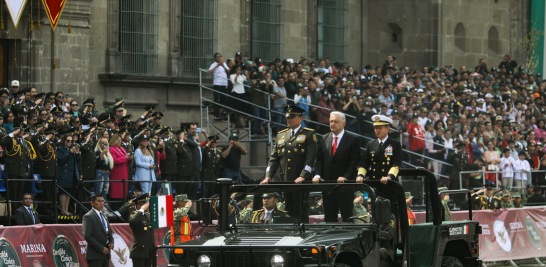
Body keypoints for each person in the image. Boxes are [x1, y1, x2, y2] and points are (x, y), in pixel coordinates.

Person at [262, 105, 317, 221]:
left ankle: (303, 233)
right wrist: (268, 176)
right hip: (286, 180)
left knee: (301, 210)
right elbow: (274, 158)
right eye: (288, 118)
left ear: (301, 118)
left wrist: (303, 175)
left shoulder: (308, 134)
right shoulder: (281, 135)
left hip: (301, 181)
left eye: (293, 117)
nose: (289, 120)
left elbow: (310, 158)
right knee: (289, 210)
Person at [313, 111, 361, 222]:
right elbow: (319, 160)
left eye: (335, 121)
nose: (332, 124)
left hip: (344, 186)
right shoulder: (324, 138)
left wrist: (346, 176)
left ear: (344, 123)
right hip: (327, 185)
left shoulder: (353, 139)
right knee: (329, 218)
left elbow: (354, 163)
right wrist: (317, 174)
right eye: (331, 121)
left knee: (347, 216)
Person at [357, 115, 402, 183]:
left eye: (380, 128)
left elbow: (396, 163)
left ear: (387, 129)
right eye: (375, 128)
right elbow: (365, 163)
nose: (377, 130)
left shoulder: (395, 144)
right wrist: (360, 175)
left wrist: (390, 176)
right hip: (374, 181)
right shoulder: (370, 144)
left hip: (389, 182)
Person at [1, 119, 28, 208]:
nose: (21, 131)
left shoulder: (23, 141)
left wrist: (26, 170)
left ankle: (19, 209)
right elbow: (2, 142)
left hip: (22, 170)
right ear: (15, 130)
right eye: (19, 130)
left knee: (20, 192)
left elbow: (25, 157)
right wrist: (13, 133)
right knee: (13, 192)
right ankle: (13, 211)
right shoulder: (11, 139)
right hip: (13, 170)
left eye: (22, 130)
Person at [82, 193, 114, 267]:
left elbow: (109, 232)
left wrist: (111, 242)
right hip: (95, 255)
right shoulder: (88, 216)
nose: (101, 203)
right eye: (99, 201)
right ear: (92, 203)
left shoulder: (104, 216)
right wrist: (101, 248)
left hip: (106, 254)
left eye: (102, 201)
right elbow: (87, 235)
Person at [57, 134, 82, 215]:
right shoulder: (60, 148)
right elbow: (60, 160)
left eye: (71, 141)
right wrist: (70, 153)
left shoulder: (73, 149)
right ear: (64, 140)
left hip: (73, 173)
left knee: (69, 193)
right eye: (68, 140)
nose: (69, 142)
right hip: (64, 173)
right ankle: (62, 210)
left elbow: (79, 161)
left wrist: (77, 154)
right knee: (64, 192)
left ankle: (66, 210)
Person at [128, 194, 154, 267]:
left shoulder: (147, 215)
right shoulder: (133, 214)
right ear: (138, 206)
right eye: (145, 204)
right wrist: (141, 210)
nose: (147, 206)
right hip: (139, 251)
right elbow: (133, 221)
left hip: (149, 250)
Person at [38, 126, 58, 213]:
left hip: (53, 172)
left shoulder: (53, 144)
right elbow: (40, 148)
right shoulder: (44, 143)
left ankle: (52, 207)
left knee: (52, 192)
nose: (53, 136)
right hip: (46, 172)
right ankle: (46, 208)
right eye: (51, 134)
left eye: (54, 135)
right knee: (46, 192)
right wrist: (46, 139)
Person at [208, 53, 229, 120]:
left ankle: (222, 114)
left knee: (223, 99)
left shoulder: (224, 63)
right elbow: (209, 72)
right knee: (216, 100)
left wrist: (223, 65)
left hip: (224, 84)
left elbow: (228, 71)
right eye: (217, 57)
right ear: (214, 58)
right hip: (217, 84)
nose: (218, 58)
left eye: (219, 57)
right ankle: (216, 114)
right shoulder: (213, 64)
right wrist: (217, 66)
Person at [175, 130, 194, 196]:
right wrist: (181, 140)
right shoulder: (177, 143)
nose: (186, 135)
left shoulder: (185, 144)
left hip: (188, 172)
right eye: (184, 134)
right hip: (182, 173)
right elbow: (179, 151)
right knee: (181, 191)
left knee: (187, 191)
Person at [185, 124, 202, 199]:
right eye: (192, 129)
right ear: (188, 130)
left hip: (198, 168)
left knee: (195, 189)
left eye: (195, 129)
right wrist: (197, 143)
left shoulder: (194, 138)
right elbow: (192, 143)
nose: (194, 130)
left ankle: (193, 208)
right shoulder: (187, 137)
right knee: (189, 188)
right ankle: (187, 207)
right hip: (191, 168)